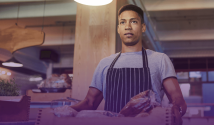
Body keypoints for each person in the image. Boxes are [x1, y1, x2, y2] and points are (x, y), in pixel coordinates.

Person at [56, 4, 186, 124]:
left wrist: (175, 111)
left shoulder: (160, 59)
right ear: (119, 29)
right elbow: (90, 102)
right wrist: (66, 110)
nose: (128, 26)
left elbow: (177, 99)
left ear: (143, 27)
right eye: (123, 22)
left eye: (133, 21)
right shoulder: (105, 63)